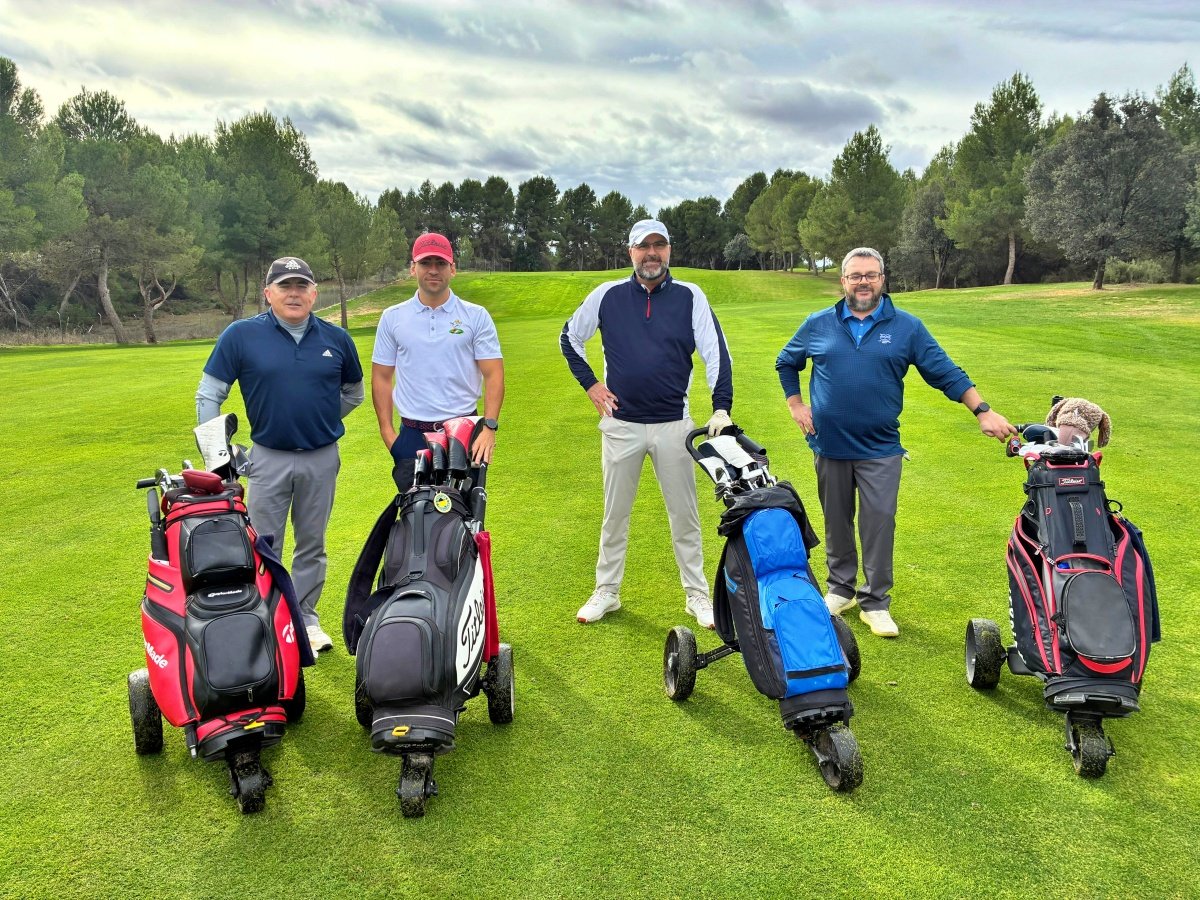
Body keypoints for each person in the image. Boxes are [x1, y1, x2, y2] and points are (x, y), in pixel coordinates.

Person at [775, 247, 1016, 638]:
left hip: (880, 448)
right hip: (829, 444)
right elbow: (787, 361)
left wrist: (982, 410)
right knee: (837, 520)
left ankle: (875, 602)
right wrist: (796, 404)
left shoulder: (906, 327)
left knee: (879, 523)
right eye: (855, 275)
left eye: (870, 274)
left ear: (882, 279)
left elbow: (945, 372)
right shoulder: (818, 324)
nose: (863, 282)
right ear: (843, 281)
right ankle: (840, 589)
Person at [561, 219, 733, 628]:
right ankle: (607, 591)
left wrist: (721, 406)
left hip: (675, 424)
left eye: (659, 245)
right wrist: (591, 385)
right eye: (643, 246)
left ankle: (697, 594)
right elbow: (569, 337)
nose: (651, 253)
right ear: (631, 252)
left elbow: (716, 353)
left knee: (685, 516)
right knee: (615, 514)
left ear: (669, 250)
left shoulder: (691, 296)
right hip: (621, 424)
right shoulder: (607, 295)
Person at [196, 256, 364, 655]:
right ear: (268, 293)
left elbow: (353, 393)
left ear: (314, 294)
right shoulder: (241, 335)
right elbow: (210, 394)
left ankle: (305, 619)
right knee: (262, 544)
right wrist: (217, 456)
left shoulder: (336, 339)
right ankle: (266, 621)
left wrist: (321, 419)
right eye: (285, 286)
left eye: (302, 286)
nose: (294, 293)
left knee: (312, 543)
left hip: (321, 458)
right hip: (266, 458)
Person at [371, 232, 504, 492]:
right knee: (414, 520)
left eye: (441, 263)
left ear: (452, 269)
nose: (433, 270)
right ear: (413, 268)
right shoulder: (393, 317)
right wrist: (389, 435)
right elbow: (382, 377)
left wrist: (489, 427)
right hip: (412, 435)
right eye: (425, 263)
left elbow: (494, 374)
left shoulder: (475, 316)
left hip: (464, 432)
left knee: (466, 519)